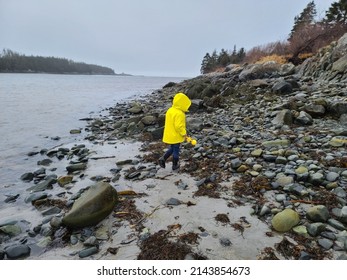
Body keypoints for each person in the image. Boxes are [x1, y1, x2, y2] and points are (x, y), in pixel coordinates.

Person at [158, 92, 191, 170]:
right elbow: (179, 126)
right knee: (176, 150)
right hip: (176, 135)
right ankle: (175, 165)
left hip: (169, 134)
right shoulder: (180, 113)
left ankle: (163, 158)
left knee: (172, 148)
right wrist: (184, 134)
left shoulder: (170, 110)